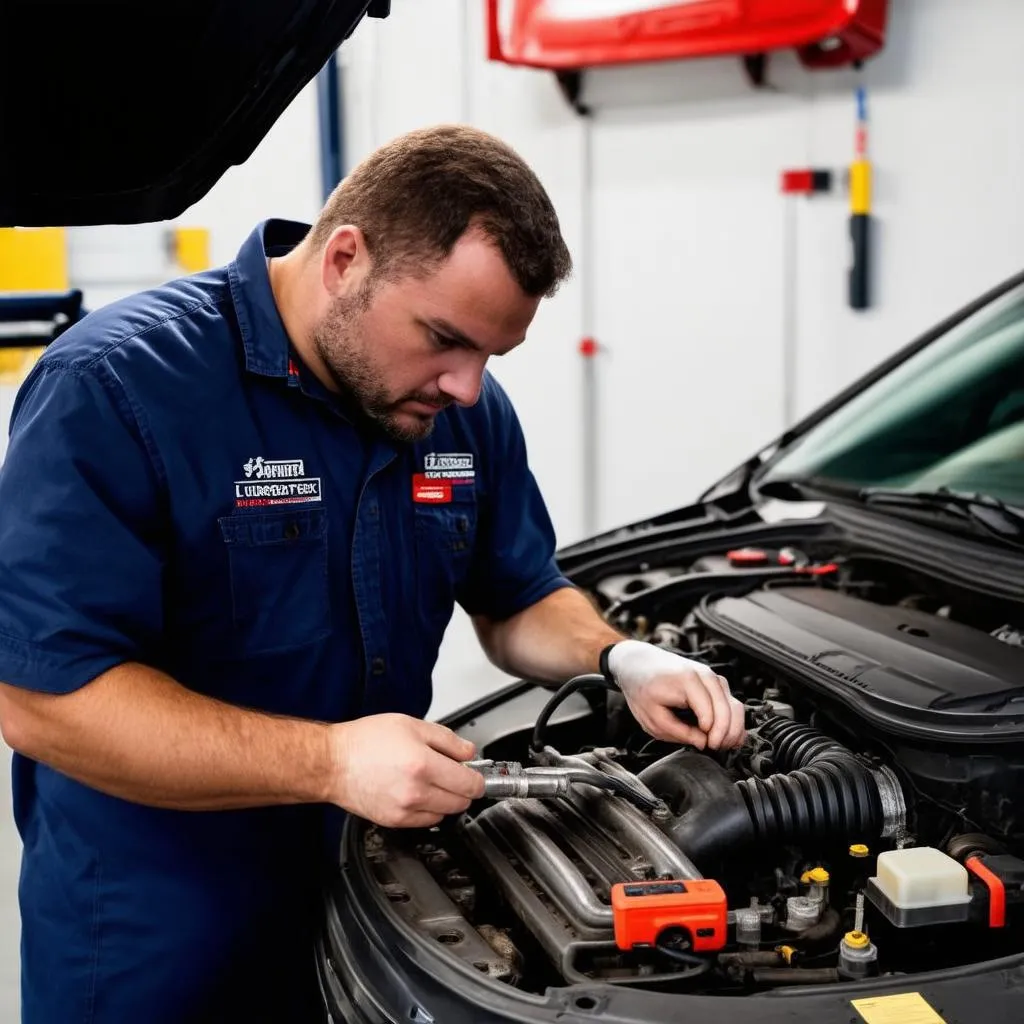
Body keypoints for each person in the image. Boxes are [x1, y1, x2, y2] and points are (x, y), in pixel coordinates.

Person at [0, 124, 745, 1022]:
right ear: (346, 258)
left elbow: (517, 597)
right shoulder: (117, 388)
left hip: (382, 900)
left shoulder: (456, 411)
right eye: (444, 338)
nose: (467, 387)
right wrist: (329, 761)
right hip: (156, 936)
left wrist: (618, 659)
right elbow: (43, 699)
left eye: (491, 358)